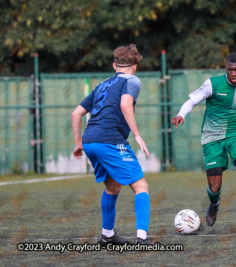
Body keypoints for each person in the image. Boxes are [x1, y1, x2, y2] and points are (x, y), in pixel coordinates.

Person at [171, 52, 236, 232]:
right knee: (214, 186)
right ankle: (215, 202)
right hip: (212, 138)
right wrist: (181, 113)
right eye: (229, 70)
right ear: (225, 68)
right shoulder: (213, 84)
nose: (233, 73)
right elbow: (192, 101)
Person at [71, 44, 154, 245]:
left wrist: (78, 144)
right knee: (141, 186)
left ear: (114, 66)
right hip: (110, 141)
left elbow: (76, 114)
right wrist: (137, 135)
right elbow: (125, 104)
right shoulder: (133, 80)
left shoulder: (101, 85)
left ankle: (107, 235)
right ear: (135, 66)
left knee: (113, 187)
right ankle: (142, 238)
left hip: (90, 141)